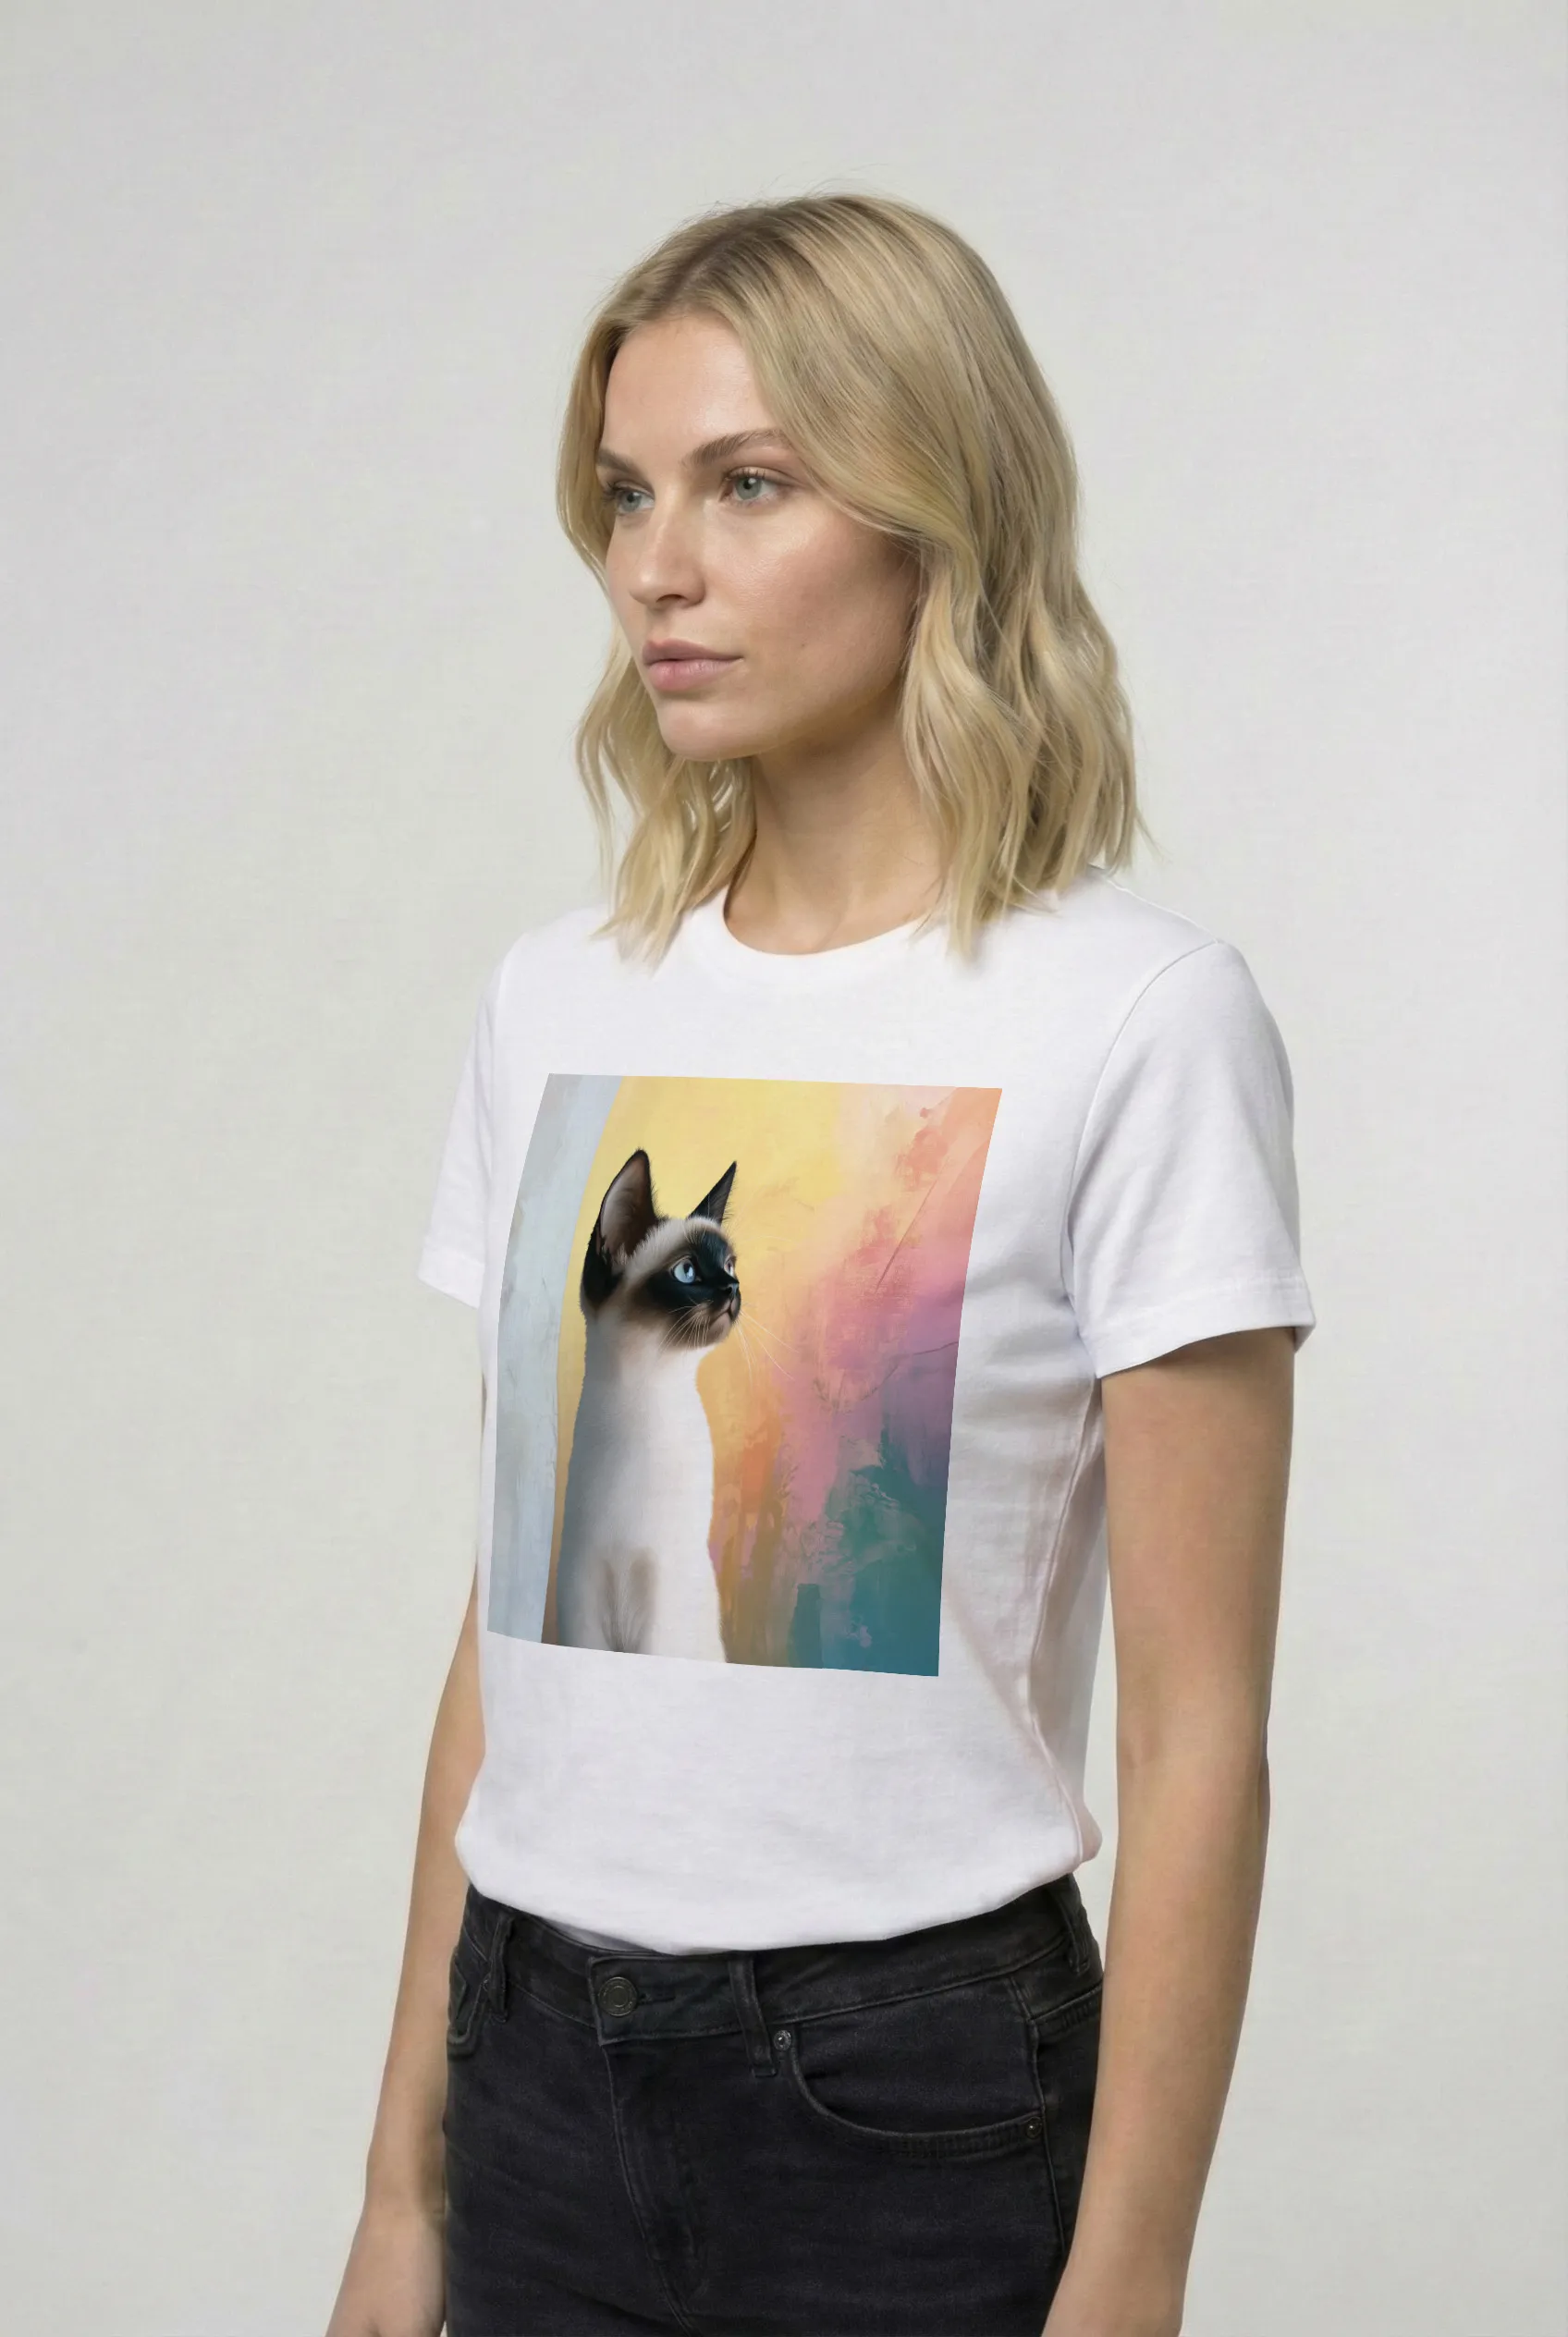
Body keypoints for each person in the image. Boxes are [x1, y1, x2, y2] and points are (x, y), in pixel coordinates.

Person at [325, 191, 1316, 2337]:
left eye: (746, 484)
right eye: (624, 492)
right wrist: (400, 2187)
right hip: (529, 2064)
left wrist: (1127, 2279)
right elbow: (511, 1631)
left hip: (907, 2095)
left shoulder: (1133, 1019)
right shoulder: (554, 1002)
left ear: (932, 509)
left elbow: (1200, 1733)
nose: (652, 567)